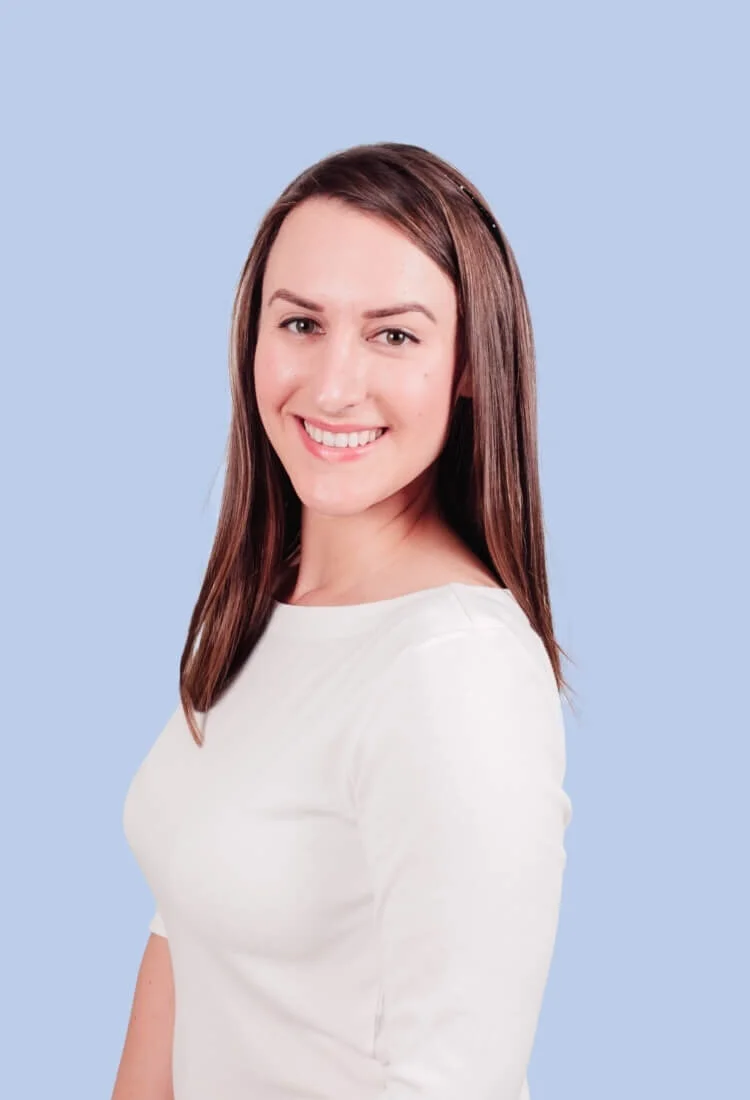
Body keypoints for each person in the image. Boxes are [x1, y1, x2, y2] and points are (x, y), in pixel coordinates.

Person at [113, 141, 575, 1100]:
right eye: (301, 323)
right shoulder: (257, 612)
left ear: (469, 367)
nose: (331, 386)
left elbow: (455, 1084)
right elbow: (183, 925)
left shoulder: (455, 669)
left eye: (394, 336)